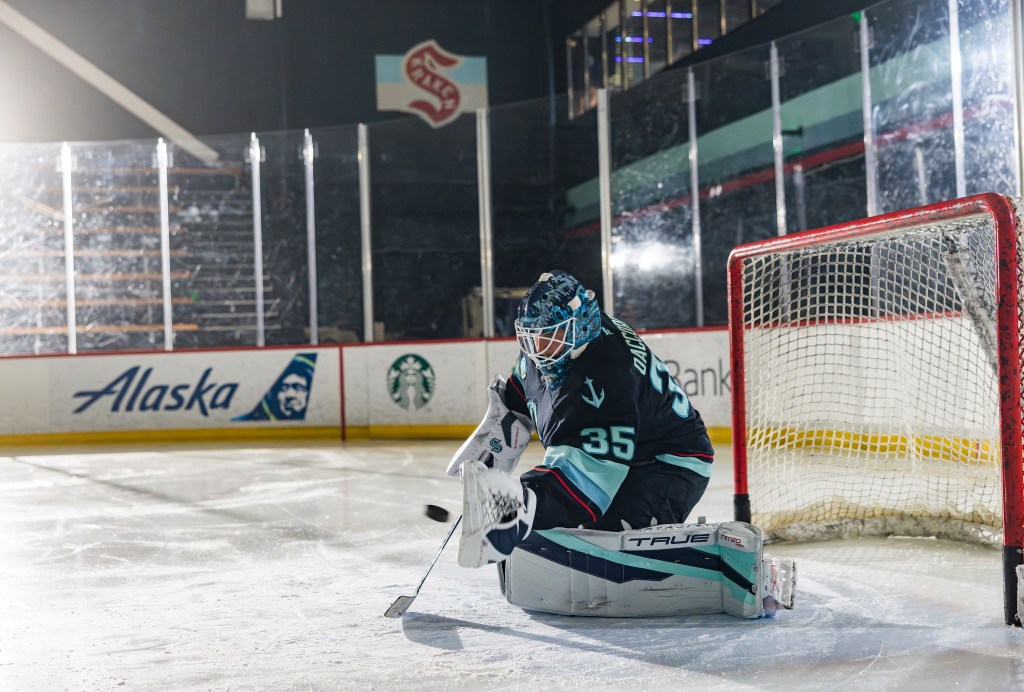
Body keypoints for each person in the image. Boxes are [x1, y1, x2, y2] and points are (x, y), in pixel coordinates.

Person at [447, 270, 714, 568]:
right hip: (631, 448)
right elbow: (517, 402)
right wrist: (490, 456)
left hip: (668, 464)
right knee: (554, 542)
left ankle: (701, 563)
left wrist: (522, 502)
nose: (538, 351)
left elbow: (588, 481)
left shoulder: (607, 372)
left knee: (602, 550)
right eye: (532, 337)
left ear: (581, 326)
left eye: (551, 336)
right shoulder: (555, 350)